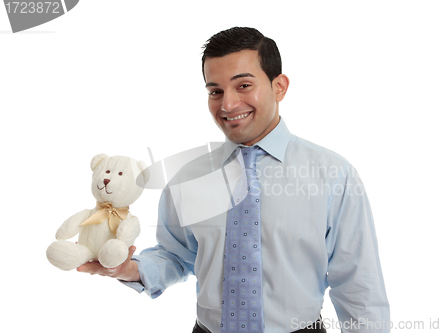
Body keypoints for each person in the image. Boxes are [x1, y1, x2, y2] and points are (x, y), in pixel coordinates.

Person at [77, 27, 390, 333]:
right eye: (215, 91)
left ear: (279, 86)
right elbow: (175, 254)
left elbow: (359, 285)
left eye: (243, 86)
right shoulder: (189, 177)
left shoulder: (334, 175)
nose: (227, 105)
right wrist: (128, 269)